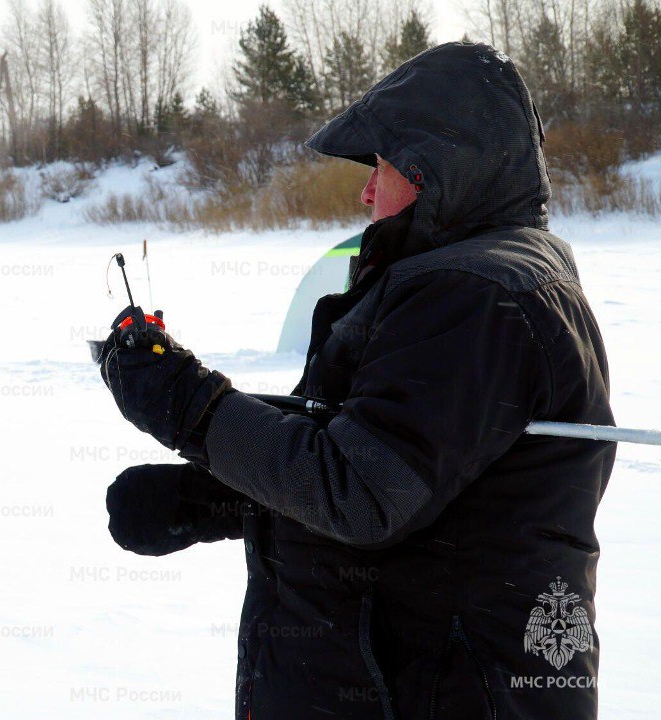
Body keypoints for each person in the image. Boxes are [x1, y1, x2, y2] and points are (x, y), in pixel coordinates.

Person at [99, 42, 614, 719]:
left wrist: (192, 406)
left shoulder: (479, 295)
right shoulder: (476, 279)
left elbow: (362, 492)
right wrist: (222, 494)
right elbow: (388, 456)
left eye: (382, 165)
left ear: (437, 170)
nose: (367, 189)